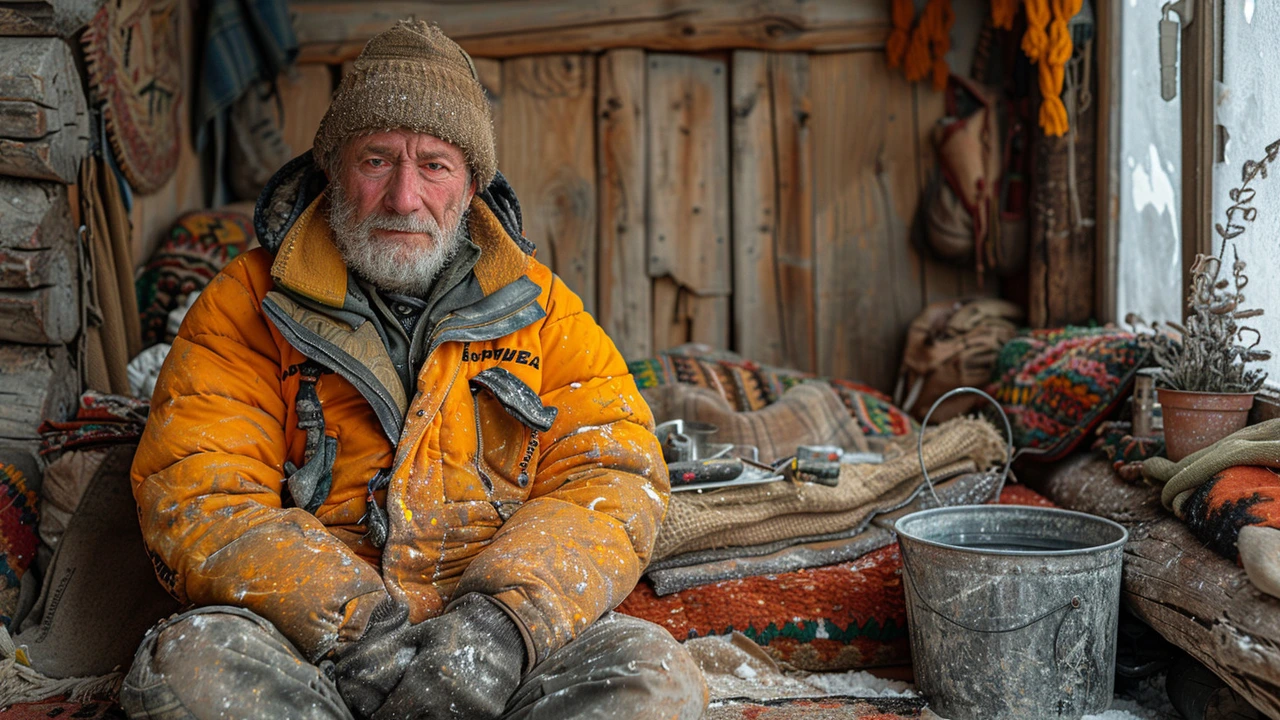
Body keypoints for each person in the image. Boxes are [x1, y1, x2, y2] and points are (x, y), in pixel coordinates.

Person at [122, 19, 707, 720]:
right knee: (191, 666)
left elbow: (611, 475)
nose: (404, 197)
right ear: (334, 170)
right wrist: (357, 631)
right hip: (312, 647)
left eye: (434, 164)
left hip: (496, 644)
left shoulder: (542, 308)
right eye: (376, 160)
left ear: (470, 186)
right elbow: (201, 496)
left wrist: (499, 631)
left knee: (652, 675)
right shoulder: (243, 305)